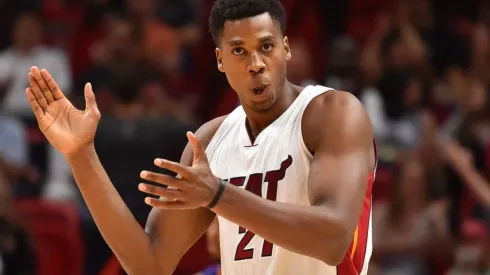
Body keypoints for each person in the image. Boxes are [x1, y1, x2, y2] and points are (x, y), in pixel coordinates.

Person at [24, 0, 376, 274]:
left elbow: (333, 240)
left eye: (266, 46)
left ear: (286, 48)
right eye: (239, 50)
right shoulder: (212, 141)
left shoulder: (332, 113)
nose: (255, 62)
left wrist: (219, 195)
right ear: (221, 60)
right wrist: (81, 155)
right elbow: (149, 265)